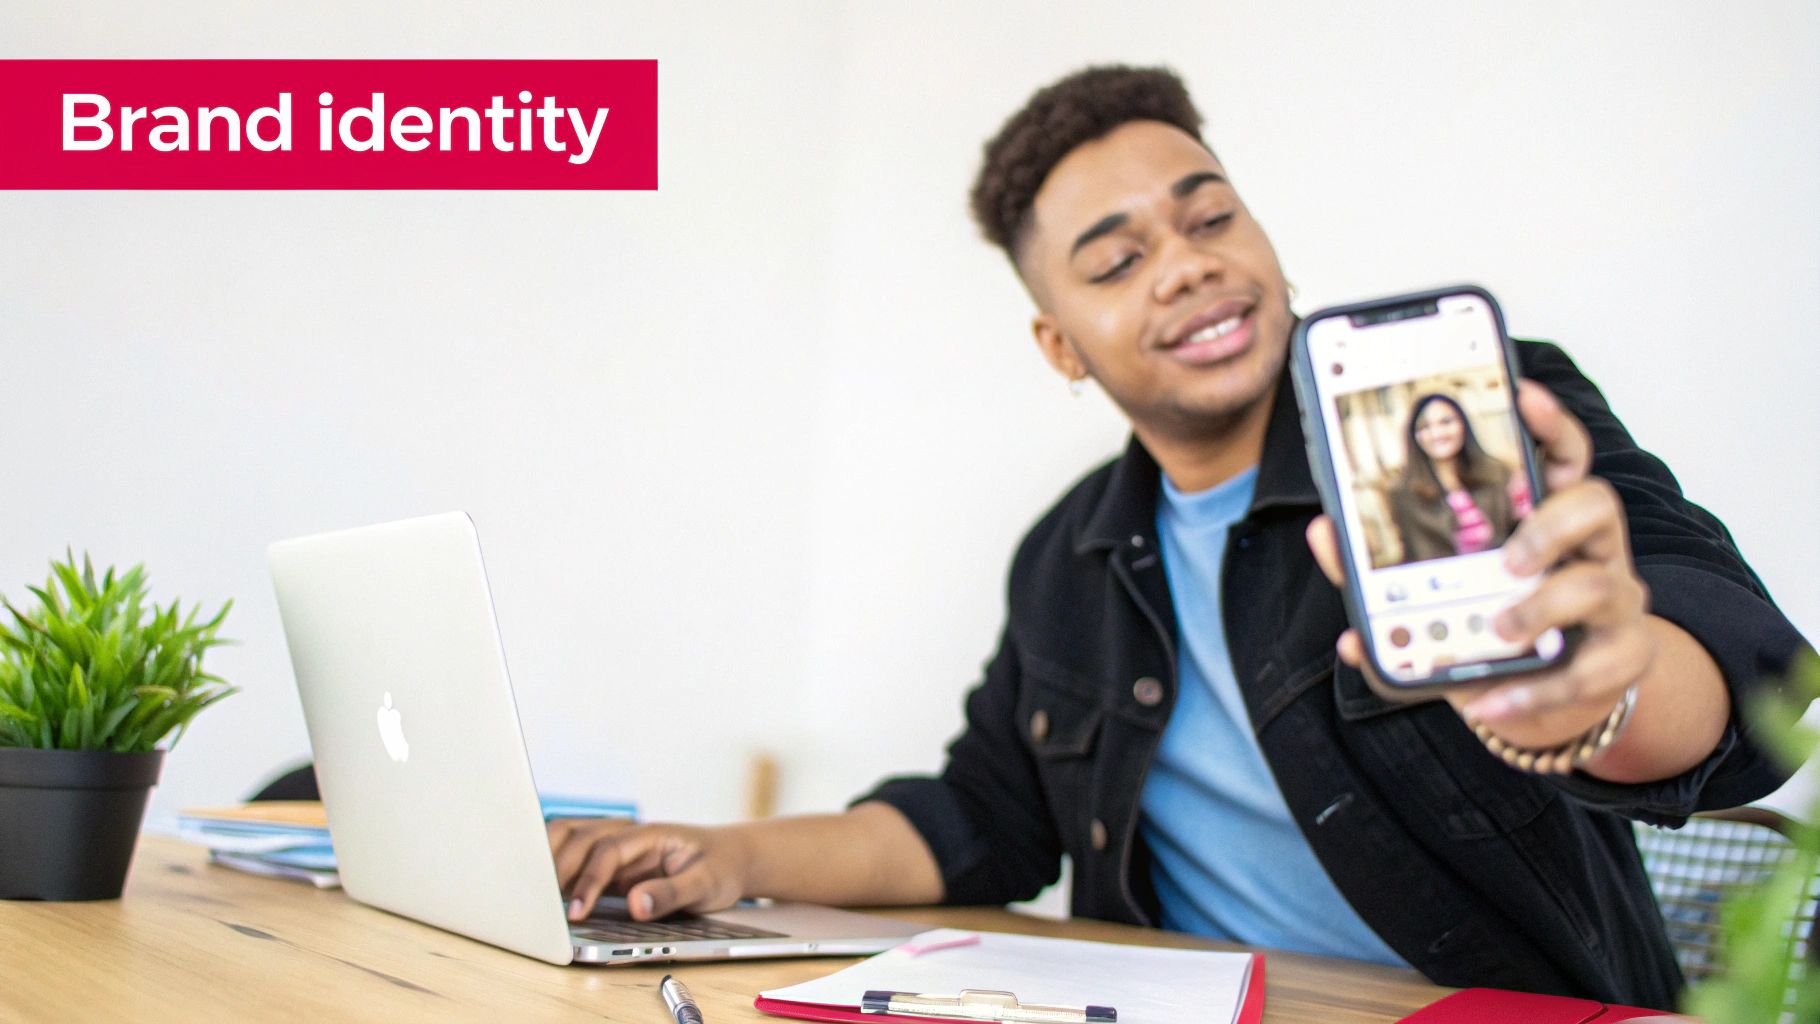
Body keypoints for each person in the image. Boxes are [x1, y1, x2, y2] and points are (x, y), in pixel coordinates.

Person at [545, 66, 1809, 1007]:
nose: (1185, 267)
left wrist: (1599, 685)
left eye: (1209, 218)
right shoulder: (1068, 556)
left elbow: (1742, 679)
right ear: (1059, 346)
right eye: (1115, 260)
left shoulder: (1463, 418)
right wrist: (722, 856)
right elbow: (977, 815)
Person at [1385, 392, 1531, 564]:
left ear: (1463, 425)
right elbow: (1416, 554)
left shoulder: (1499, 473)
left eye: (1446, 422)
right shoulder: (1402, 493)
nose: (1437, 433)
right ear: (1414, 436)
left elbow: (1520, 533)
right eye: (1424, 427)